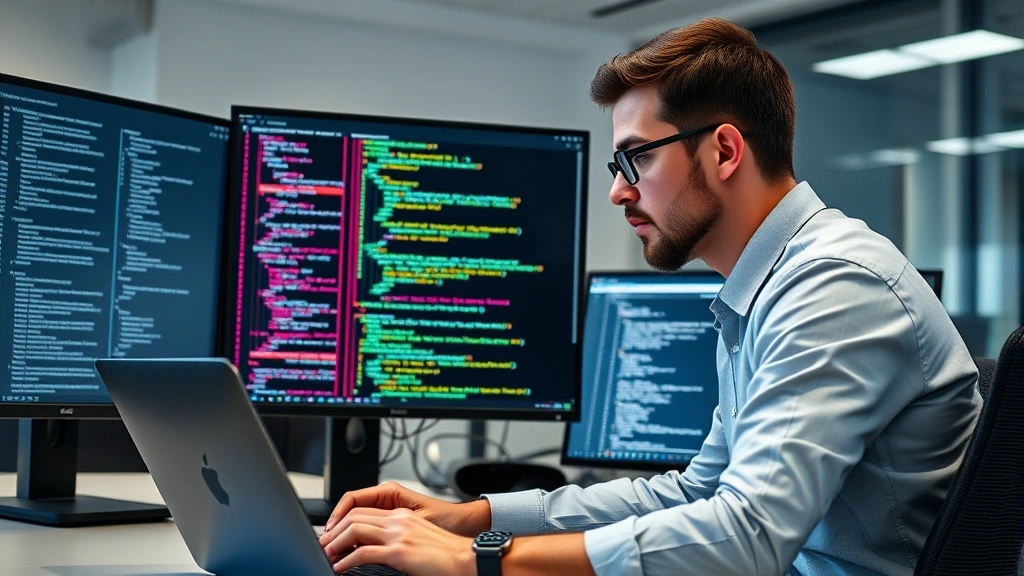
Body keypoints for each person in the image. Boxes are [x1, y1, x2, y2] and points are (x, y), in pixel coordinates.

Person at [318, 17, 981, 576]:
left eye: (638, 158)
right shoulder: (766, 287)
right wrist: (476, 516)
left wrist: (481, 558)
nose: (618, 191)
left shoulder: (836, 284)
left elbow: (747, 536)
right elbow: (699, 492)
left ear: (724, 150)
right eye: (617, 165)